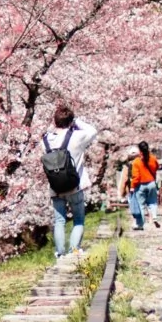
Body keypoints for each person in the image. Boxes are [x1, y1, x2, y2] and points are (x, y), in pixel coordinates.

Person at [42, 104, 98, 258]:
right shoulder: (77, 137)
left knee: (59, 220)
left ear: (55, 121)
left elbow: (49, 131)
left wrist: (54, 125)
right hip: (75, 186)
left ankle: (60, 253)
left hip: (55, 188)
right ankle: (74, 250)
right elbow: (93, 131)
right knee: (78, 219)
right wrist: (76, 121)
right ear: (71, 121)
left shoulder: (45, 140)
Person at [129, 142, 160, 231]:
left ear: (139, 150)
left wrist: (132, 186)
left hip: (140, 185)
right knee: (152, 202)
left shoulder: (136, 162)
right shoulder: (153, 158)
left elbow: (136, 176)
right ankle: (154, 217)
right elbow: (156, 167)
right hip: (151, 183)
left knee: (141, 205)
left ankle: (140, 224)